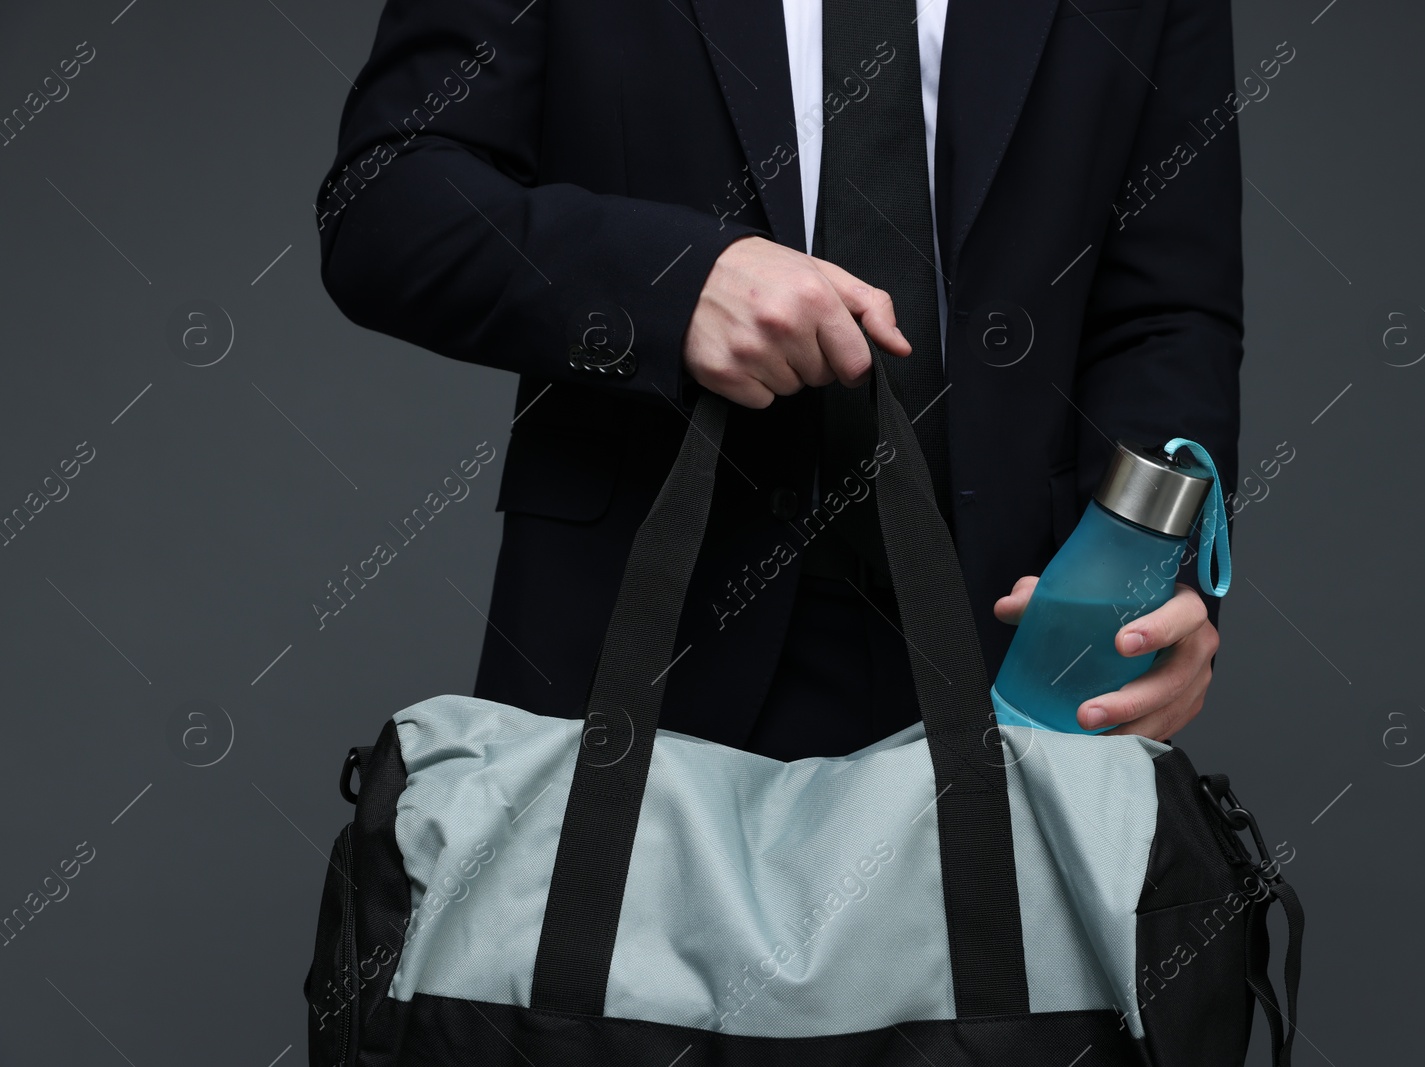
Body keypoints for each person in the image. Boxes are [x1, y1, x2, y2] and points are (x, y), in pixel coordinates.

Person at [315, 0, 1240, 759]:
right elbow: (387, 201)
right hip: (637, 643)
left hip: (1024, 654)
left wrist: (1152, 577)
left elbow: (1166, 309)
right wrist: (680, 284)